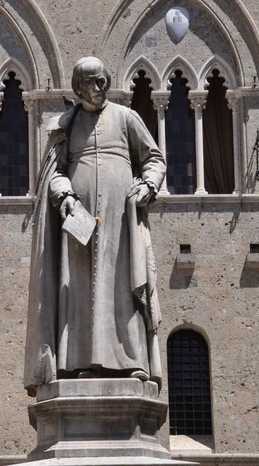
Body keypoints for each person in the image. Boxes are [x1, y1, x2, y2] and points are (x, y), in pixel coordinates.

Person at [24, 57, 166, 397]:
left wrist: (148, 185)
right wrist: (65, 196)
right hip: (78, 222)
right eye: (91, 81)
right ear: (78, 87)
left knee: (122, 284)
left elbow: (154, 159)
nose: (99, 87)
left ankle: (132, 361)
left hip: (121, 218)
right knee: (80, 290)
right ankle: (80, 362)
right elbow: (54, 172)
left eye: (103, 80)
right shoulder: (67, 126)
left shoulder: (126, 118)